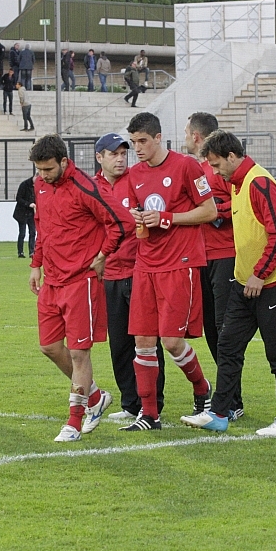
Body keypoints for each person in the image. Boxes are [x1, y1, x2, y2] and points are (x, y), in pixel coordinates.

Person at [182, 130, 276, 436]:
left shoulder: (259, 182)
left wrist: (260, 274)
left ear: (232, 157)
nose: (214, 171)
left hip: (271, 283)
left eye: (216, 164)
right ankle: (220, 413)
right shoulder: (238, 183)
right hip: (244, 282)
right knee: (227, 344)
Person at [120, 113, 216, 432]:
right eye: (133, 142)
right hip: (145, 265)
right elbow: (137, 214)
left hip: (179, 263)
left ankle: (202, 388)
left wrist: (167, 218)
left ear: (159, 138)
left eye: (143, 141)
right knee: (143, 342)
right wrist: (139, 219)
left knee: (173, 342)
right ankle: (149, 415)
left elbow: (210, 211)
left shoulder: (186, 166)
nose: (137, 148)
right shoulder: (134, 174)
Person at [29, 134, 125, 441]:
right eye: (39, 169)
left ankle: (74, 421)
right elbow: (42, 227)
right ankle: (95, 397)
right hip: (52, 280)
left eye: (48, 169)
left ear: (64, 161)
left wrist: (103, 255)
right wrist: (36, 264)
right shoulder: (40, 185)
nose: (43, 175)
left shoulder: (85, 187)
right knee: (49, 346)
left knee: (79, 354)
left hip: (80, 281)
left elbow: (120, 222)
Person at [93, 133, 166, 421]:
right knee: (120, 343)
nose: (121, 159)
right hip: (109, 274)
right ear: (99, 157)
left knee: (147, 341)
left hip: (139, 272)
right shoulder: (92, 188)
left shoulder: (137, 180)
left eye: (124, 153)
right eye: (114, 154)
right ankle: (130, 403)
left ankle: (153, 403)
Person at [184, 113, 243, 418]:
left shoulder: (221, 170)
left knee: (224, 329)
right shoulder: (196, 170)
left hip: (225, 255)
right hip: (200, 257)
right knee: (209, 327)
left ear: (196, 136)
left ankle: (233, 401)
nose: (185, 138)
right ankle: (228, 397)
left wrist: (215, 211)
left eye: (186, 132)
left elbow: (242, 203)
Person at [13, 174, 36, 258]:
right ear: (34, 177)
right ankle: (20, 252)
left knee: (32, 232)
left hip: (31, 213)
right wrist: (28, 204)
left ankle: (32, 252)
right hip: (22, 213)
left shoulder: (39, 186)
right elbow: (18, 198)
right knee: (22, 233)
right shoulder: (24, 185)